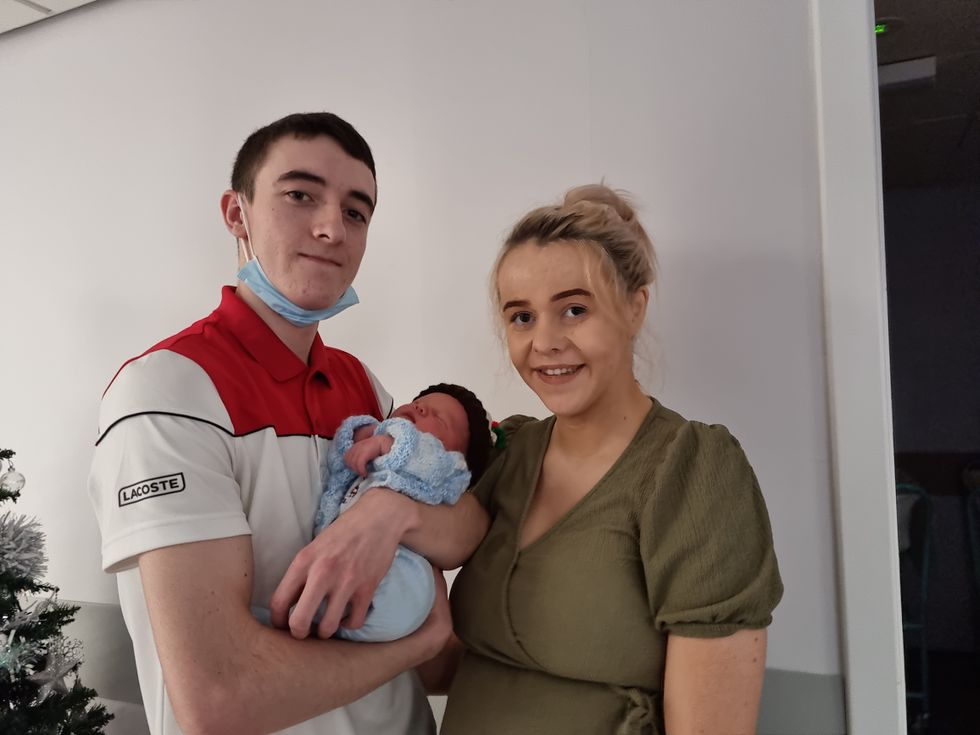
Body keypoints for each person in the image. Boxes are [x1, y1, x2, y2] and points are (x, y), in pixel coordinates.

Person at [87, 112, 488, 735]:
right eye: (300, 195)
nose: (332, 228)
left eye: (356, 212)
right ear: (236, 213)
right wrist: (420, 642)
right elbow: (220, 702)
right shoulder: (169, 392)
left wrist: (391, 514)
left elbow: (463, 522)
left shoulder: (362, 387)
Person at [430, 185, 783, 734]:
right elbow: (442, 664)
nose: (545, 341)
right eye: (521, 317)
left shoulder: (690, 471)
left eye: (574, 309)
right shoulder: (509, 455)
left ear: (634, 307)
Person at [254, 384, 493, 643]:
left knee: (402, 595)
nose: (420, 407)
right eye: (418, 402)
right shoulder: (377, 452)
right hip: (348, 567)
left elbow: (432, 460)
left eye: (438, 417)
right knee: (322, 596)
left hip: (403, 571)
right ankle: (311, 618)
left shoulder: (446, 468)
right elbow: (342, 460)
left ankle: (308, 618)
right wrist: (359, 435)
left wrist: (390, 443)